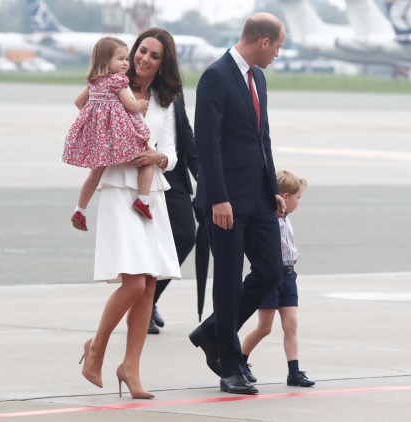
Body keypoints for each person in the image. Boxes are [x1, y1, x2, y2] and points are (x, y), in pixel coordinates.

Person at [77, 27, 183, 400]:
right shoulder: (109, 85)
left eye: (154, 55)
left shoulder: (164, 99)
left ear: (163, 63)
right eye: (141, 51)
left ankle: (130, 368)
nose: (144, 58)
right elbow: (83, 116)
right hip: (118, 189)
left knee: (149, 286)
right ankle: (97, 348)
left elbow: (170, 147)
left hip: (150, 192)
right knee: (134, 282)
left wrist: (160, 157)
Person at [189, 13, 287, 395]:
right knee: (227, 283)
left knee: (271, 271)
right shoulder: (216, 76)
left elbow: (262, 138)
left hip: (259, 198)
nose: (278, 54)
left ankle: (213, 330)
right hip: (225, 201)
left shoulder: (257, 77)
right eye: (277, 46)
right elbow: (207, 144)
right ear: (263, 42)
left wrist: (273, 186)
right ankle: (229, 364)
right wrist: (218, 198)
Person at [63, 36, 154, 231]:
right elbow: (130, 106)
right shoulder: (117, 81)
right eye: (120, 59)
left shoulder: (94, 82)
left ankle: (80, 209)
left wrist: (96, 117)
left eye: (126, 59)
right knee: (147, 158)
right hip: (121, 135)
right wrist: (141, 104)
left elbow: (79, 103)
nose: (125, 64)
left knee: (95, 173)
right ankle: (143, 200)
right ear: (106, 61)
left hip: (102, 138)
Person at [240, 170, 315, 387]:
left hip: (289, 276)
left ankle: (294, 371)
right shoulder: (268, 220)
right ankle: (241, 360)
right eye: (298, 198)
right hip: (271, 278)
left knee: (291, 325)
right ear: (285, 196)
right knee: (265, 327)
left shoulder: (287, 220)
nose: (299, 203)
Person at [149, 93, 199, 335]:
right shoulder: (131, 86)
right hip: (144, 174)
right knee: (149, 244)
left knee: (186, 235)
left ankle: (149, 298)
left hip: (174, 174)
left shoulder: (172, 88)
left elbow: (185, 134)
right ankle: (142, 304)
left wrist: (203, 176)